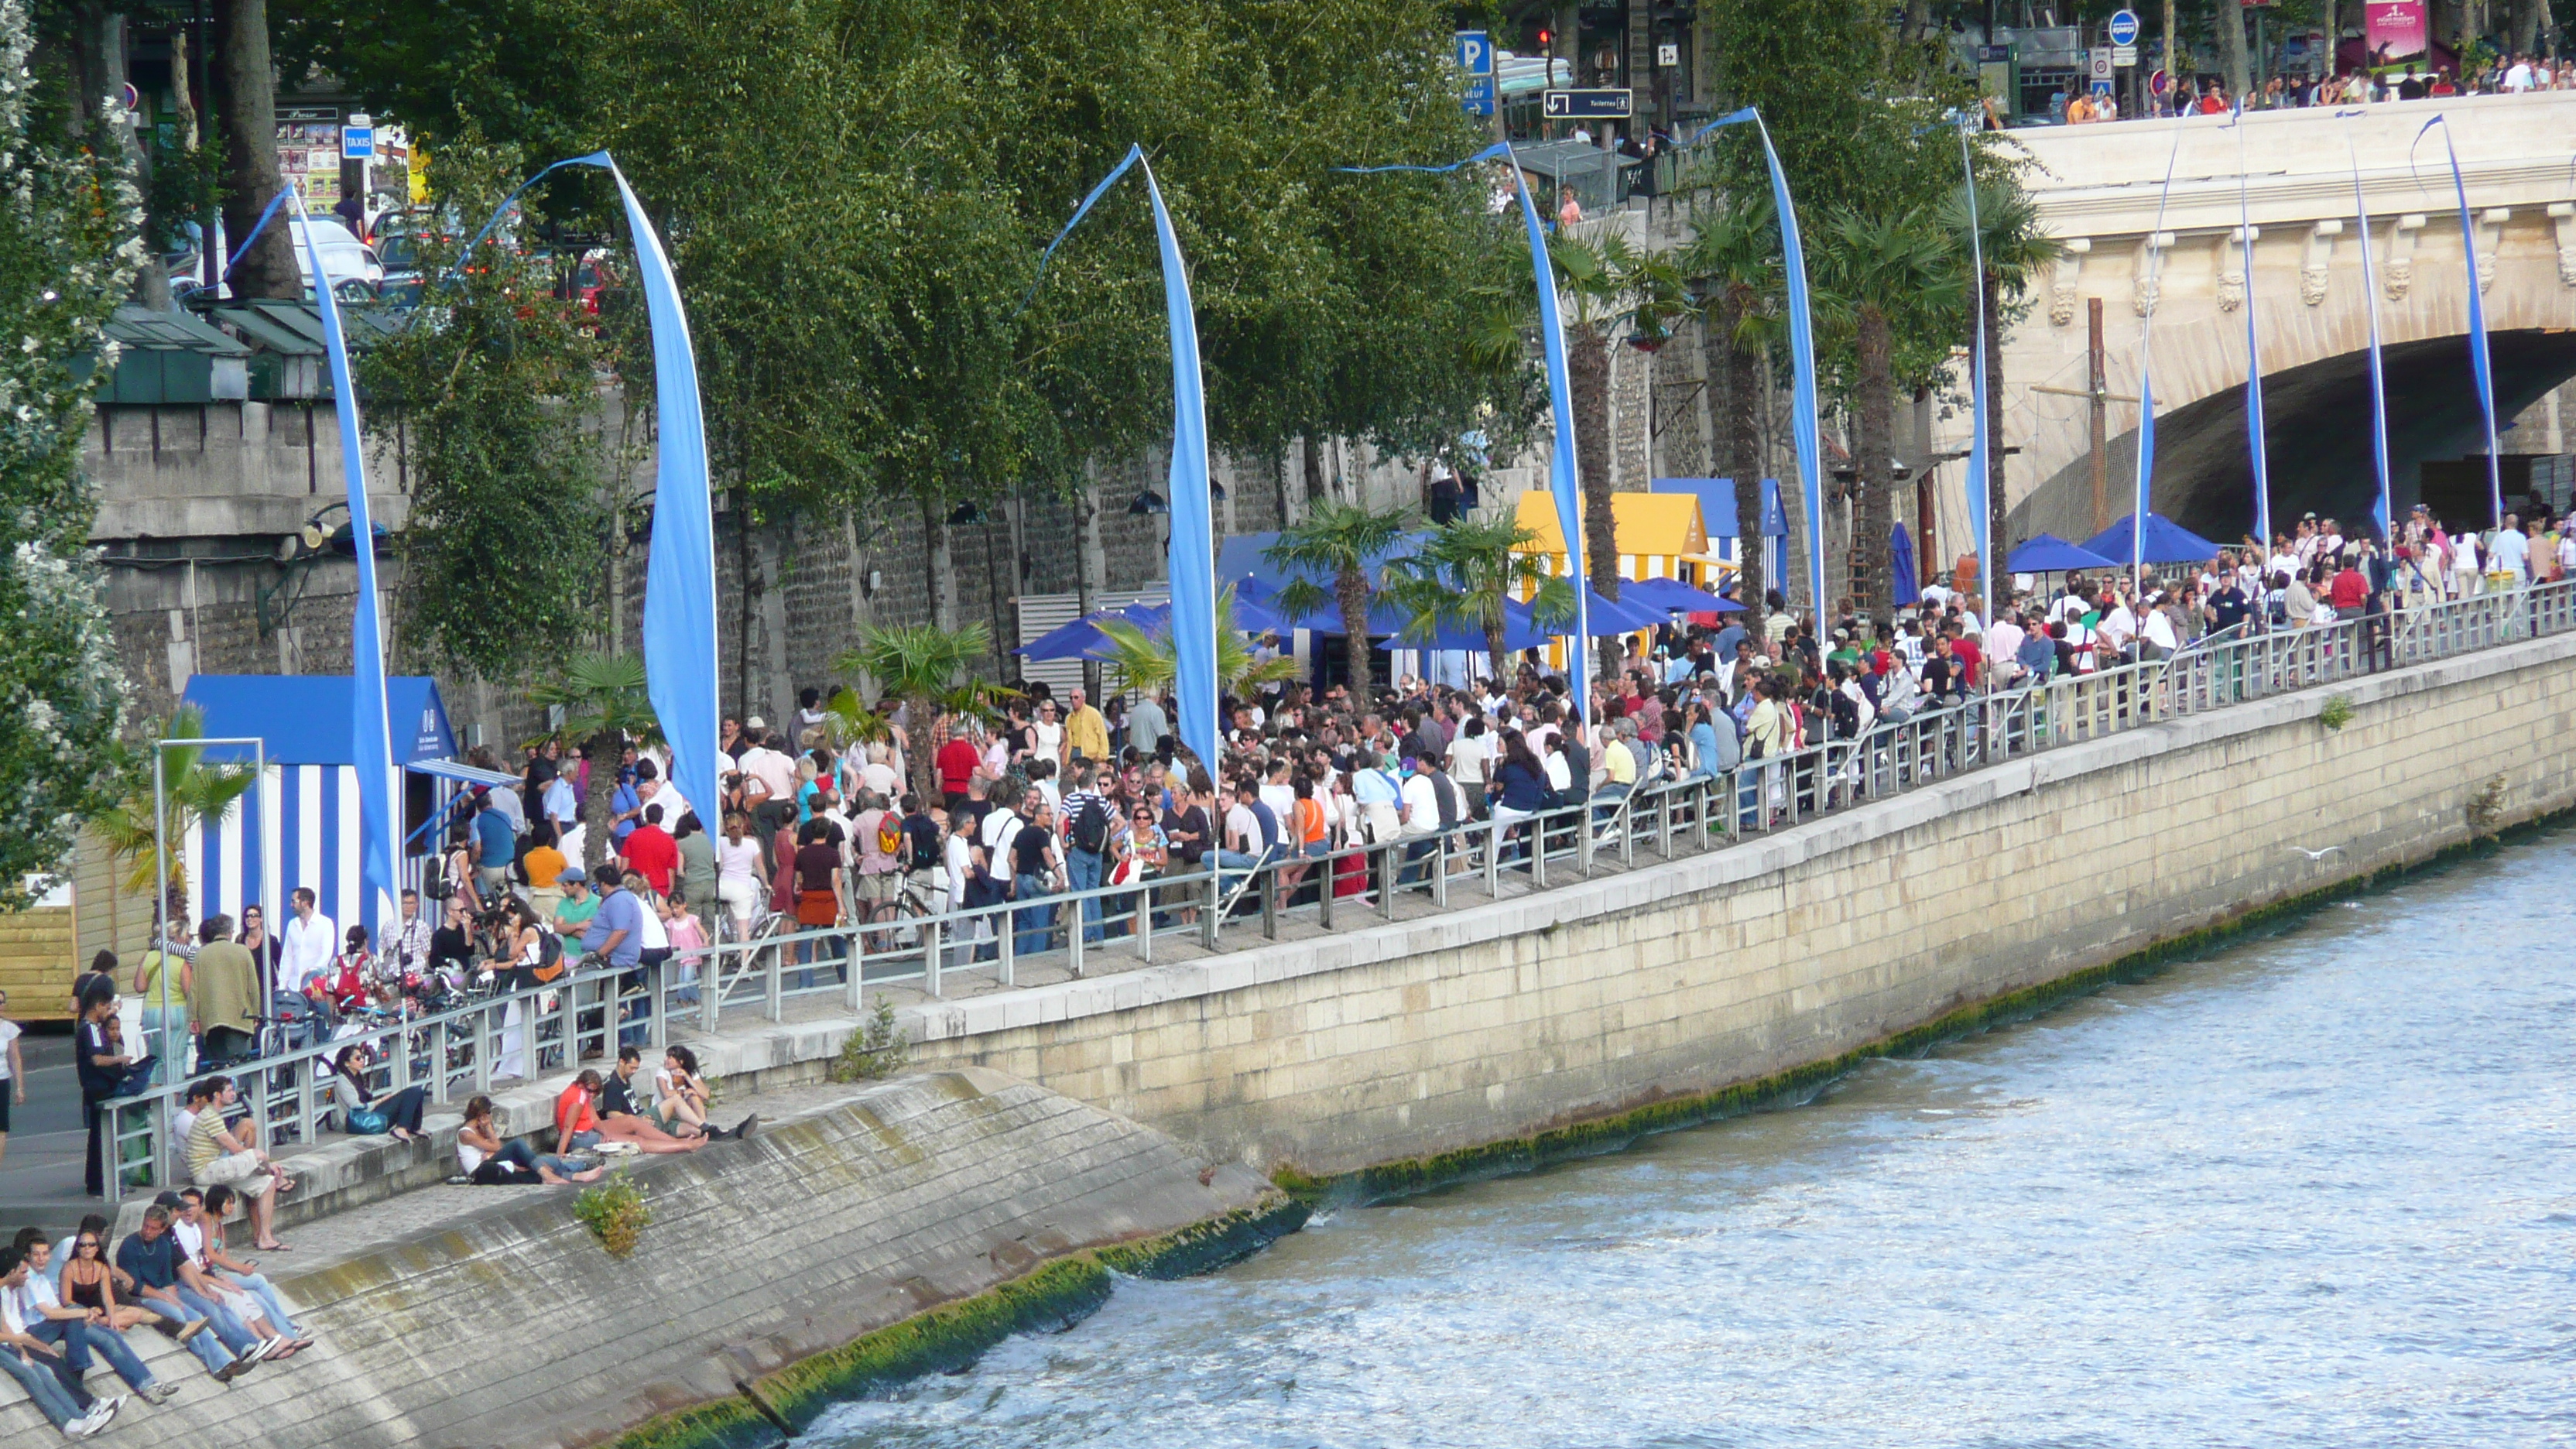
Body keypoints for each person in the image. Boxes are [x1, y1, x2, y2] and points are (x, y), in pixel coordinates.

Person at [9, 1231, 168, 1405]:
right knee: (76, 1312)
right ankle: (79, 1366)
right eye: (36, 1255)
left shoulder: (42, 1278)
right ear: (28, 1256)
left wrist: (86, 1314)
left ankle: (148, 1384)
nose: (41, 1259)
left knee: (110, 1337)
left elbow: (59, 1309)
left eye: (45, 1254)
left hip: (55, 1325)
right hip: (36, 1331)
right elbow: (50, 1313)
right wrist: (83, 1313)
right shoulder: (28, 1279)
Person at [115, 1206, 264, 1382]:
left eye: (153, 1228)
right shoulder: (130, 1245)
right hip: (141, 1297)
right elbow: (135, 1286)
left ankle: (224, 1362)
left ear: (162, 1229)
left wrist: (174, 1298)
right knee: (179, 1317)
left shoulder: (163, 1244)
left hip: (161, 1291)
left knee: (195, 1317)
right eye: (146, 1226)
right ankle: (217, 1363)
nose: (148, 1231)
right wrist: (167, 1299)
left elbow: (167, 1279)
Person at [0, 1245, 121, 1438]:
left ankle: (79, 1417)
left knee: (44, 1371)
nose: (27, 1275)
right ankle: (69, 1422)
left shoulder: (7, 1292)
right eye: (23, 1271)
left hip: (12, 1344)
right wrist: (20, 1341)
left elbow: (5, 1326)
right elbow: (9, 1333)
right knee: (30, 1374)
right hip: (5, 1347)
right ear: (11, 1271)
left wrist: (24, 1349)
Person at [172, 1190, 310, 1357]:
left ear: (201, 1207)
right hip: (196, 1281)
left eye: (193, 1206)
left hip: (210, 1276)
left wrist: (224, 1276)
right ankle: (269, 1341)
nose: (231, 1207)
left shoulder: (198, 1227)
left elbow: (209, 1261)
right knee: (247, 1292)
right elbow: (204, 1259)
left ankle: (278, 1338)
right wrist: (234, 1272)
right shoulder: (195, 1225)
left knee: (251, 1297)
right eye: (228, 1203)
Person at [457, 1094, 603, 1185]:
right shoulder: (466, 1134)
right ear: (482, 1114)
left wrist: (490, 1153)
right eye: (489, 1113)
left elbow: (494, 1150)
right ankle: (551, 1175)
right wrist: (489, 1127)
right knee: (518, 1145)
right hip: (481, 1171)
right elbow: (497, 1147)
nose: (490, 1117)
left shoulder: (478, 1130)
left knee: (549, 1162)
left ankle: (579, 1172)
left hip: (491, 1164)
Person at [71, 983, 130, 1199]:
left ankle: (98, 1181)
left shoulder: (90, 1028)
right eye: (106, 1008)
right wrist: (119, 1059)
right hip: (98, 1088)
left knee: (98, 1136)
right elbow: (96, 1059)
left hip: (96, 1087)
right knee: (100, 1137)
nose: (108, 1013)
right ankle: (98, 1183)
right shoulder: (91, 1029)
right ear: (98, 1006)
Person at [328, 1043, 428, 1142]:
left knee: (416, 1091)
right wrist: (379, 1101)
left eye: (363, 1057)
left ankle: (415, 1127)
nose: (362, 1061)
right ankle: (401, 1128)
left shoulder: (357, 1078)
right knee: (412, 1092)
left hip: (369, 1115)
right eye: (358, 1058)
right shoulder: (343, 1080)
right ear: (347, 1063)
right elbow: (355, 1106)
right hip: (356, 1122)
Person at [279, 887, 337, 996]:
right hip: (293, 986)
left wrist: (310, 977)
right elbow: (287, 957)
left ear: (305, 903)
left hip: (315, 987)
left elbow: (326, 956)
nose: (291, 905)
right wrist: (282, 986)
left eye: (294, 901)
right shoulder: (292, 924)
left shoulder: (325, 923)